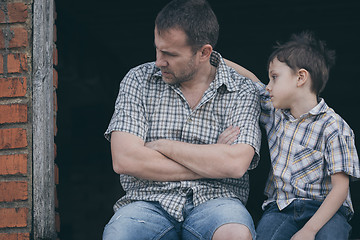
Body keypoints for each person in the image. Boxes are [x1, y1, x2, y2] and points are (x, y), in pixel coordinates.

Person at [102, 0, 261, 239]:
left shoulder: (242, 90)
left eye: (170, 54)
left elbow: (235, 165)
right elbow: (125, 160)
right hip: (147, 202)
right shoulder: (138, 80)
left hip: (217, 202)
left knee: (235, 234)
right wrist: (212, 159)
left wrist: (165, 147)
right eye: (157, 49)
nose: (158, 61)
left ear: (204, 53)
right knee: (120, 233)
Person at [225, 32, 360, 239]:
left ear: (301, 77)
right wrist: (214, 58)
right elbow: (250, 80)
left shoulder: (334, 127)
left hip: (326, 210)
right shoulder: (274, 113)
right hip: (281, 208)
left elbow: (340, 190)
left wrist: (309, 231)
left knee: (330, 236)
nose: (268, 85)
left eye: (274, 77)